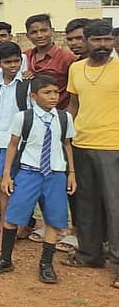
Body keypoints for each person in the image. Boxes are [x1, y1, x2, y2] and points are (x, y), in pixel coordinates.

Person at [0, 76, 77, 284]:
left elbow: (67, 145)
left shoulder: (64, 118)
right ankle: (5, 258)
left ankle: (46, 263)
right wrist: (7, 174)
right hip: (28, 172)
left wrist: (71, 173)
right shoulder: (24, 117)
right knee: (12, 216)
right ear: (33, 96)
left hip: (55, 174)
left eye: (56, 92)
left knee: (53, 219)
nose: (53, 97)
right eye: (47, 93)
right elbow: (13, 145)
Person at [64, 20, 119, 289]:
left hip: (113, 147)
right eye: (97, 41)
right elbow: (74, 104)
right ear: (86, 41)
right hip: (81, 144)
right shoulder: (75, 68)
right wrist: (65, 134)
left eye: (107, 40)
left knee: (115, 207)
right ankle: (89, 254)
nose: (103, 46)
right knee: (85, 204)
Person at [0, 41, 30, 241]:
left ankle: (9, 226)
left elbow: (30, 114)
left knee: (5, 183)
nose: (13, 66)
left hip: (13, 141)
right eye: (8, 62)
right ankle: (3, 219)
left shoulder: (27, 84)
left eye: (16, 61)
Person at [24, 14, 77, 109]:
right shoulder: (24, 57)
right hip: (31, 115)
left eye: (44, 30)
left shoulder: (67, 59)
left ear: (52, 31)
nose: (39, 35)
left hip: (59, 113)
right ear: (28, 36)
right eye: (34, 32)